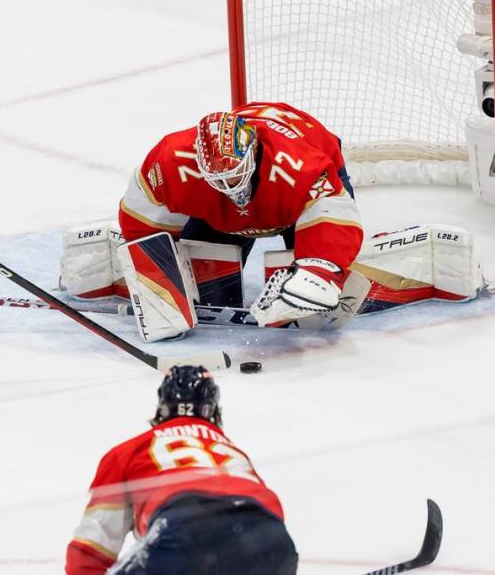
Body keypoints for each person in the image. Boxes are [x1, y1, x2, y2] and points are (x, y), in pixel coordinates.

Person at [113, 102, 364, 340]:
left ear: (253, 150)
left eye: (234, 176)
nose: (229, 187)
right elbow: (140, 220)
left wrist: (318, 271)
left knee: (311, 298)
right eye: (218, 178)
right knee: (206, 287)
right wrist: (152, 273)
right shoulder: (170, 160)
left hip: (294, 191)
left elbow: (335, 214)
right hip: (227, 210)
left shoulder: (302, 165)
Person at [65, 365, 298, 574]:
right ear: (213, 412)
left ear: (162, 410)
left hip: (184, 529)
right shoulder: (231, 450)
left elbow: (92, 547)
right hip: (270, 539)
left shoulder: (129, 451)